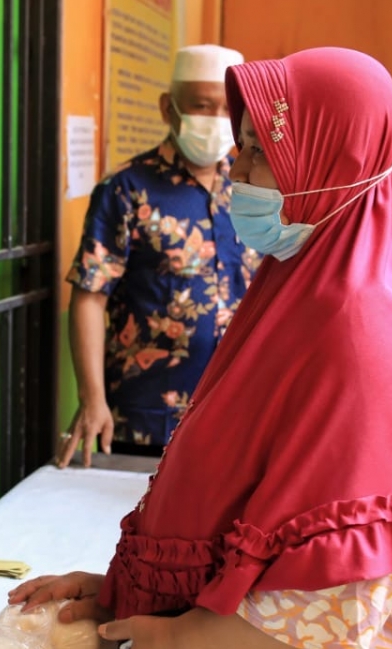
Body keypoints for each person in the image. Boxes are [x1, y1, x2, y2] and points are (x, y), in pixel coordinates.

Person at [15, 48, 392, 649]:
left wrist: (188, 643)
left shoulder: (365, 328)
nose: (237, 175)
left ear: (329, 164)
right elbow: (265, 512)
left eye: (260, 154)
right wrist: (130, 592)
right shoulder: (303, 294)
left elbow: (353, 575)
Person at [57, 43, 258, 467]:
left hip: (237, 417)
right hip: (145, 418)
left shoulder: (253, 191)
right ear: (169, 108)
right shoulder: (126, 190)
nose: (216, 121)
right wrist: (92, 399)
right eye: (202, 106)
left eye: (227, 110)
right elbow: (90, 295)